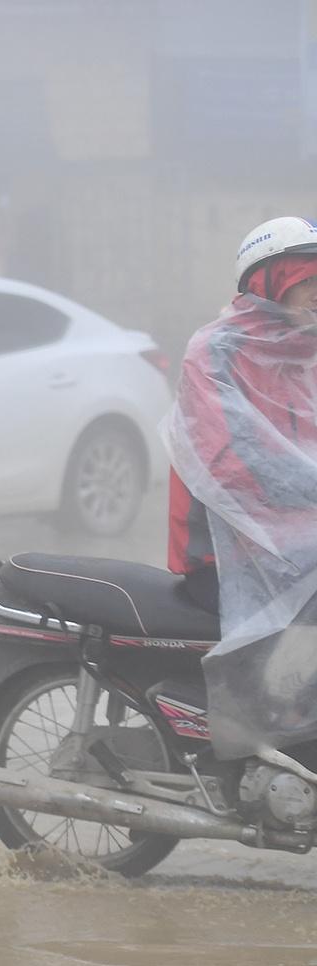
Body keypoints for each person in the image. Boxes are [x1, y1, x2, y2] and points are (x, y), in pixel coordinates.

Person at [166, 216, 317, 756]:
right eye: (311, 281)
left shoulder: (310, 354)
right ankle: (270, 744)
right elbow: (232, 465)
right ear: (272, 280)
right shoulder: (216, 350)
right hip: (228, 554)